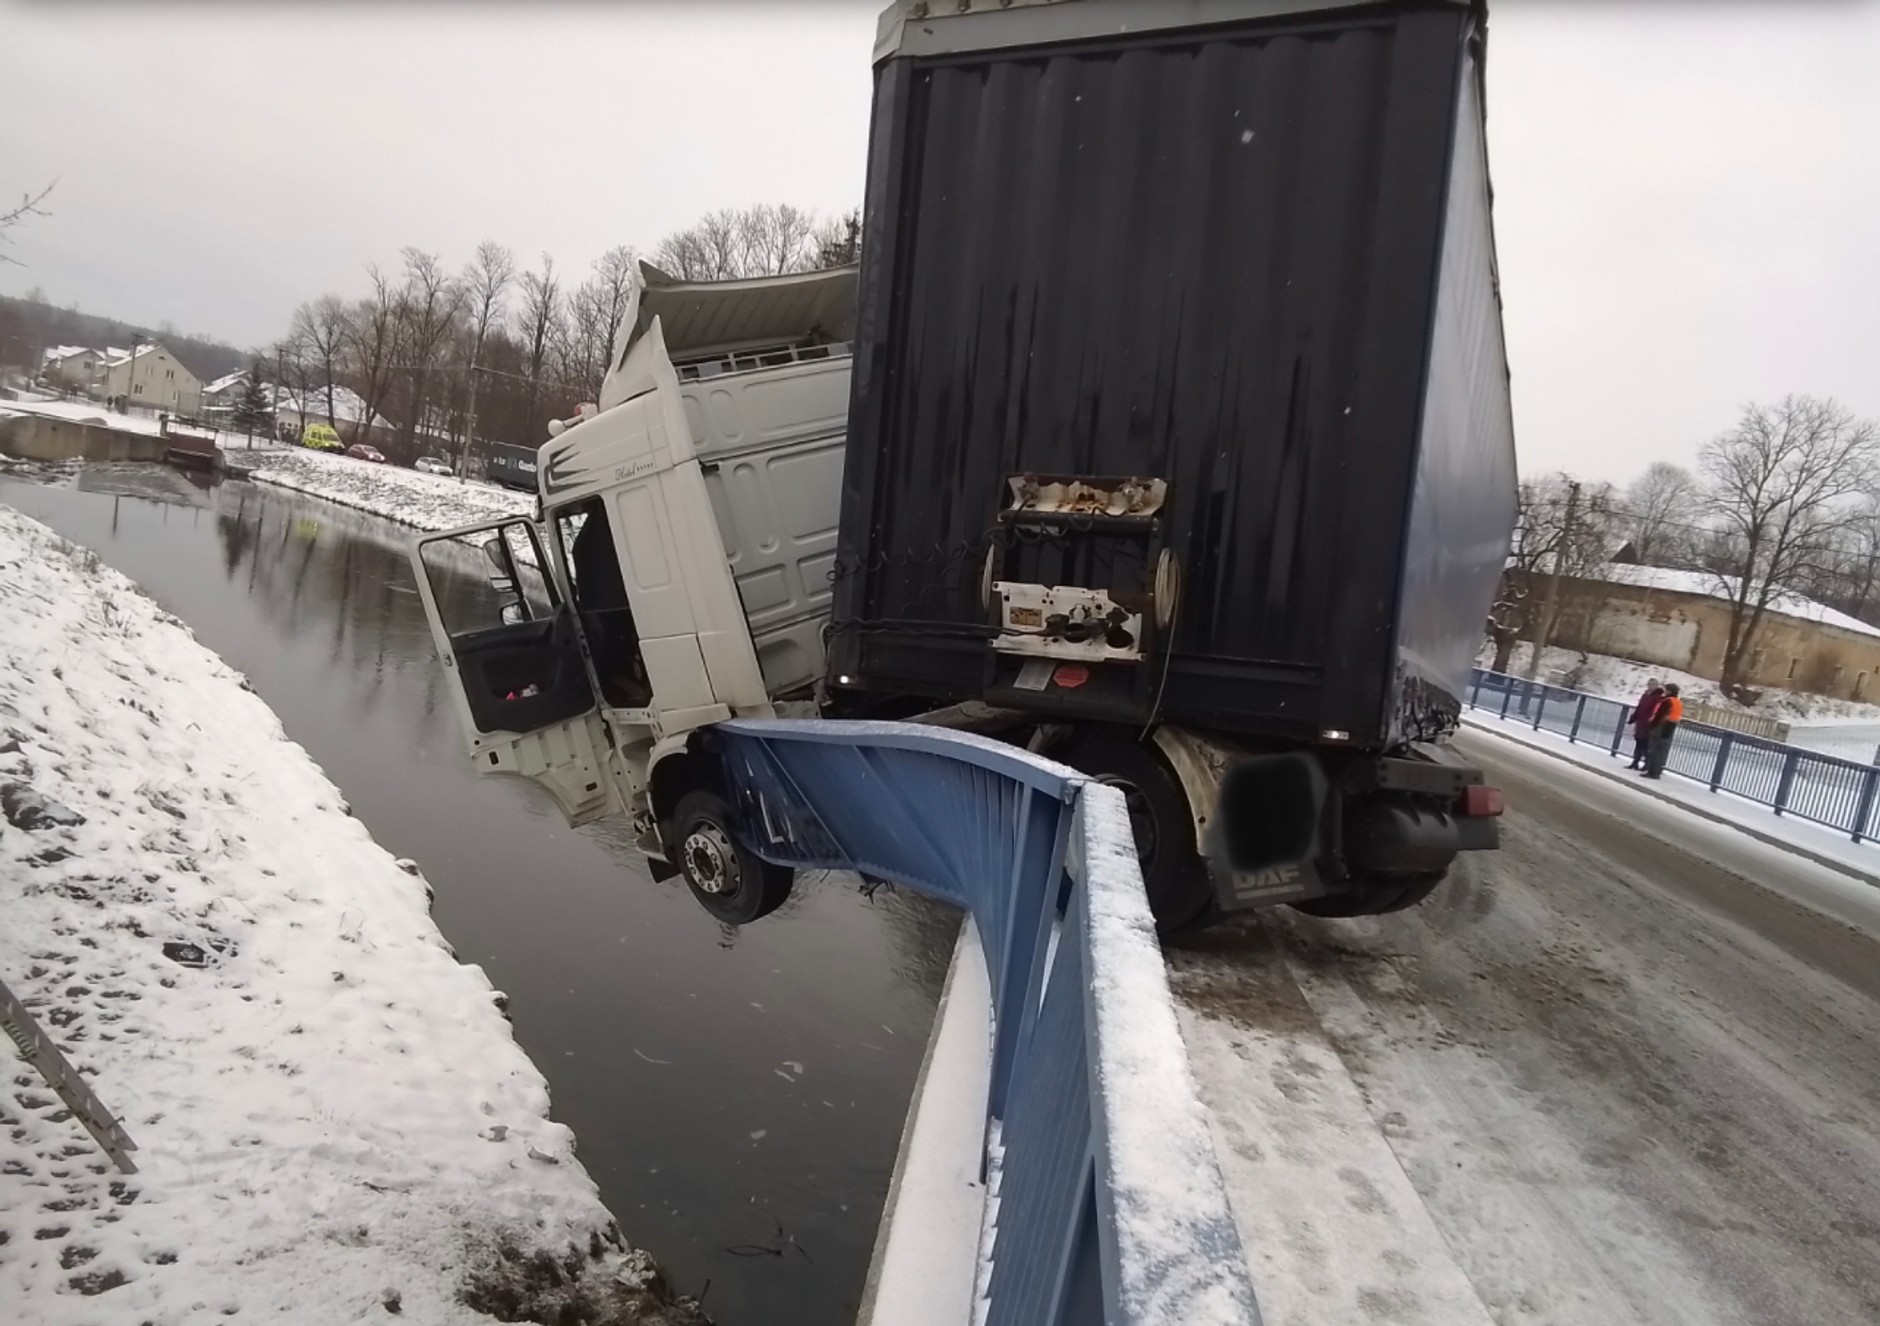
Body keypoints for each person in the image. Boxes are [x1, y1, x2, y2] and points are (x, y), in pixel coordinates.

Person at [1643, 682, 1683, 779]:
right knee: (1661, 753)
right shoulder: (1678, 702)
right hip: (1670, 729)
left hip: (1660, 728)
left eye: (1666, 690)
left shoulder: (1667, 701)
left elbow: (1659, 715)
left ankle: (1651, 772)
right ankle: (1657, 772)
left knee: (1654, 751)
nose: (1664, 691)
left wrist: (1651, 726)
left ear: (1669, 691)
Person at [1628, 680, 1665, 769]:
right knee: (1638, 742)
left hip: (1648, 724)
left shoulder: (1657, 697)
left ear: (1656, 686)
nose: (1650, 686)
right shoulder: (1645, 695)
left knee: (1646, 744)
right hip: (1640, 722)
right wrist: (1633, 718)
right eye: (1649, 684)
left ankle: (1646, 764)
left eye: (1653, 685)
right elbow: (1639, 708)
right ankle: (1635, 761)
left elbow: (1656, 711)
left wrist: (1653, 721)